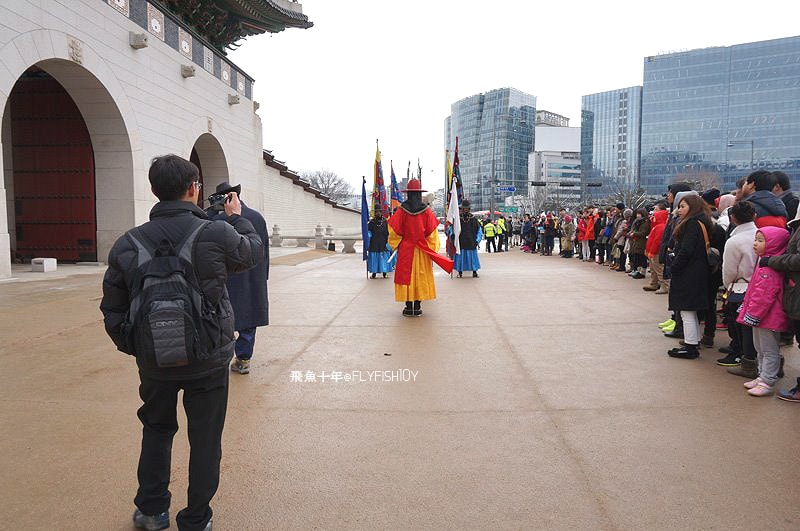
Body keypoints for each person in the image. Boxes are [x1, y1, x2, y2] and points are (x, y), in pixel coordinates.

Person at [100, 155, 263, 531]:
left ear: (155, 190)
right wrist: (236, 216)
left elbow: (113, 307)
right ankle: (195, 518)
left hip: (154, 359)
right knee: (205, 436)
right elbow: (252, 252)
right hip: (208, 355)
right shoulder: (216, 232)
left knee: (156, 428)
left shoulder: (128, 242)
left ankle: (152, 511)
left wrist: (137, 345)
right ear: (193, 189)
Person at [210, 182, 269, 376]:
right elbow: (265, 250)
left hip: (226, 277)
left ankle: (220, 360)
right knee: (248, 319)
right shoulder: (256, 217)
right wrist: (263, 275)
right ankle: (244, 359)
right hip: (252, 276)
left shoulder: (216, 221)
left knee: (222, 319)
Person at [387, 179, 453, 316]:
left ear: (408, 194)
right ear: (419, 193)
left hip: (406, 249)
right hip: (422, 249)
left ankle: (408, 305)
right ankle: (417, 306)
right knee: (421, 276)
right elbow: (432, 234)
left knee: (407, 276)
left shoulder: (401, 211)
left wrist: (397, 244)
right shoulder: (427, 212)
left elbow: (393, 231)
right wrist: (430, 248)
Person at [738, 226, 791, 396]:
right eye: (756, 240)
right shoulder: (764, 263)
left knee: (769, 349)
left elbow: (764, 296)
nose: (755, 244)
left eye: (760, 241)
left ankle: (768, 380)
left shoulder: (769, 268)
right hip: (760, 316)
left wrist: (752, 314)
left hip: (767, 317)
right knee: (760, 348)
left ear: (774, 244)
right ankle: (762, 376)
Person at [666, 194, 713, 359]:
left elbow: (686, 250)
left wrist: (674, 266)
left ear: (692, 207)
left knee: (686, 311)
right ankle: (692, 342)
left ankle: (690, 345)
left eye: (683, 206)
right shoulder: (702, 221)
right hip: (697, 272)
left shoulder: (692, 224)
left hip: (688, 273)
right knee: (690, 311)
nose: (679, 210)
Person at [718, 201, 758, 370]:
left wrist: (728, 285)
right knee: (750, 326)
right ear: (754, 216)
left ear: (733, 218)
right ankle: (744, 352)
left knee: (736, 322)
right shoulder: (759, 234)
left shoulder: (735, 240)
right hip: (758, 285)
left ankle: (739, 353)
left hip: (740, 286)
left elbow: (729, 270)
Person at [454, 199, 483, 277]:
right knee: (461, 257)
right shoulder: (458, 219)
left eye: (467, 208)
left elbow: (479, 231)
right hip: (461, 241)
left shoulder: (473, 219)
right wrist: (453, 236)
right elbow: (453, 230)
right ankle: (460, 272)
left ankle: (474, 272)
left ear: (469, 208)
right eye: (464, 208)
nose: (465, 209)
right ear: (462, 208)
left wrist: (477, 240)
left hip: (471, 241)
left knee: (472, 258)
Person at [644, 203, 669, 292]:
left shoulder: (660, 227)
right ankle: (654, 283)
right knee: (653, 269)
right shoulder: (656, 226)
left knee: (659, 269)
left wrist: (651, 251)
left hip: (656, 252)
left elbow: (657, 241)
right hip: (652, 251)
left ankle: (664, 286)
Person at [367, 210, 392, 279]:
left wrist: (388, 241)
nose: (378, 213)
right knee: (374, 258)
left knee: (383, 258)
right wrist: (368, 237)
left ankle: (384, 273)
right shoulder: (371, 222)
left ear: (381, 212)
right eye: (376, 212)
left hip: (383, 242)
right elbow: (368, 232)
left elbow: (388, 233)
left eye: (379, 212)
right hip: (374, 243)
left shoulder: (385, 222)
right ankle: (374, 273)